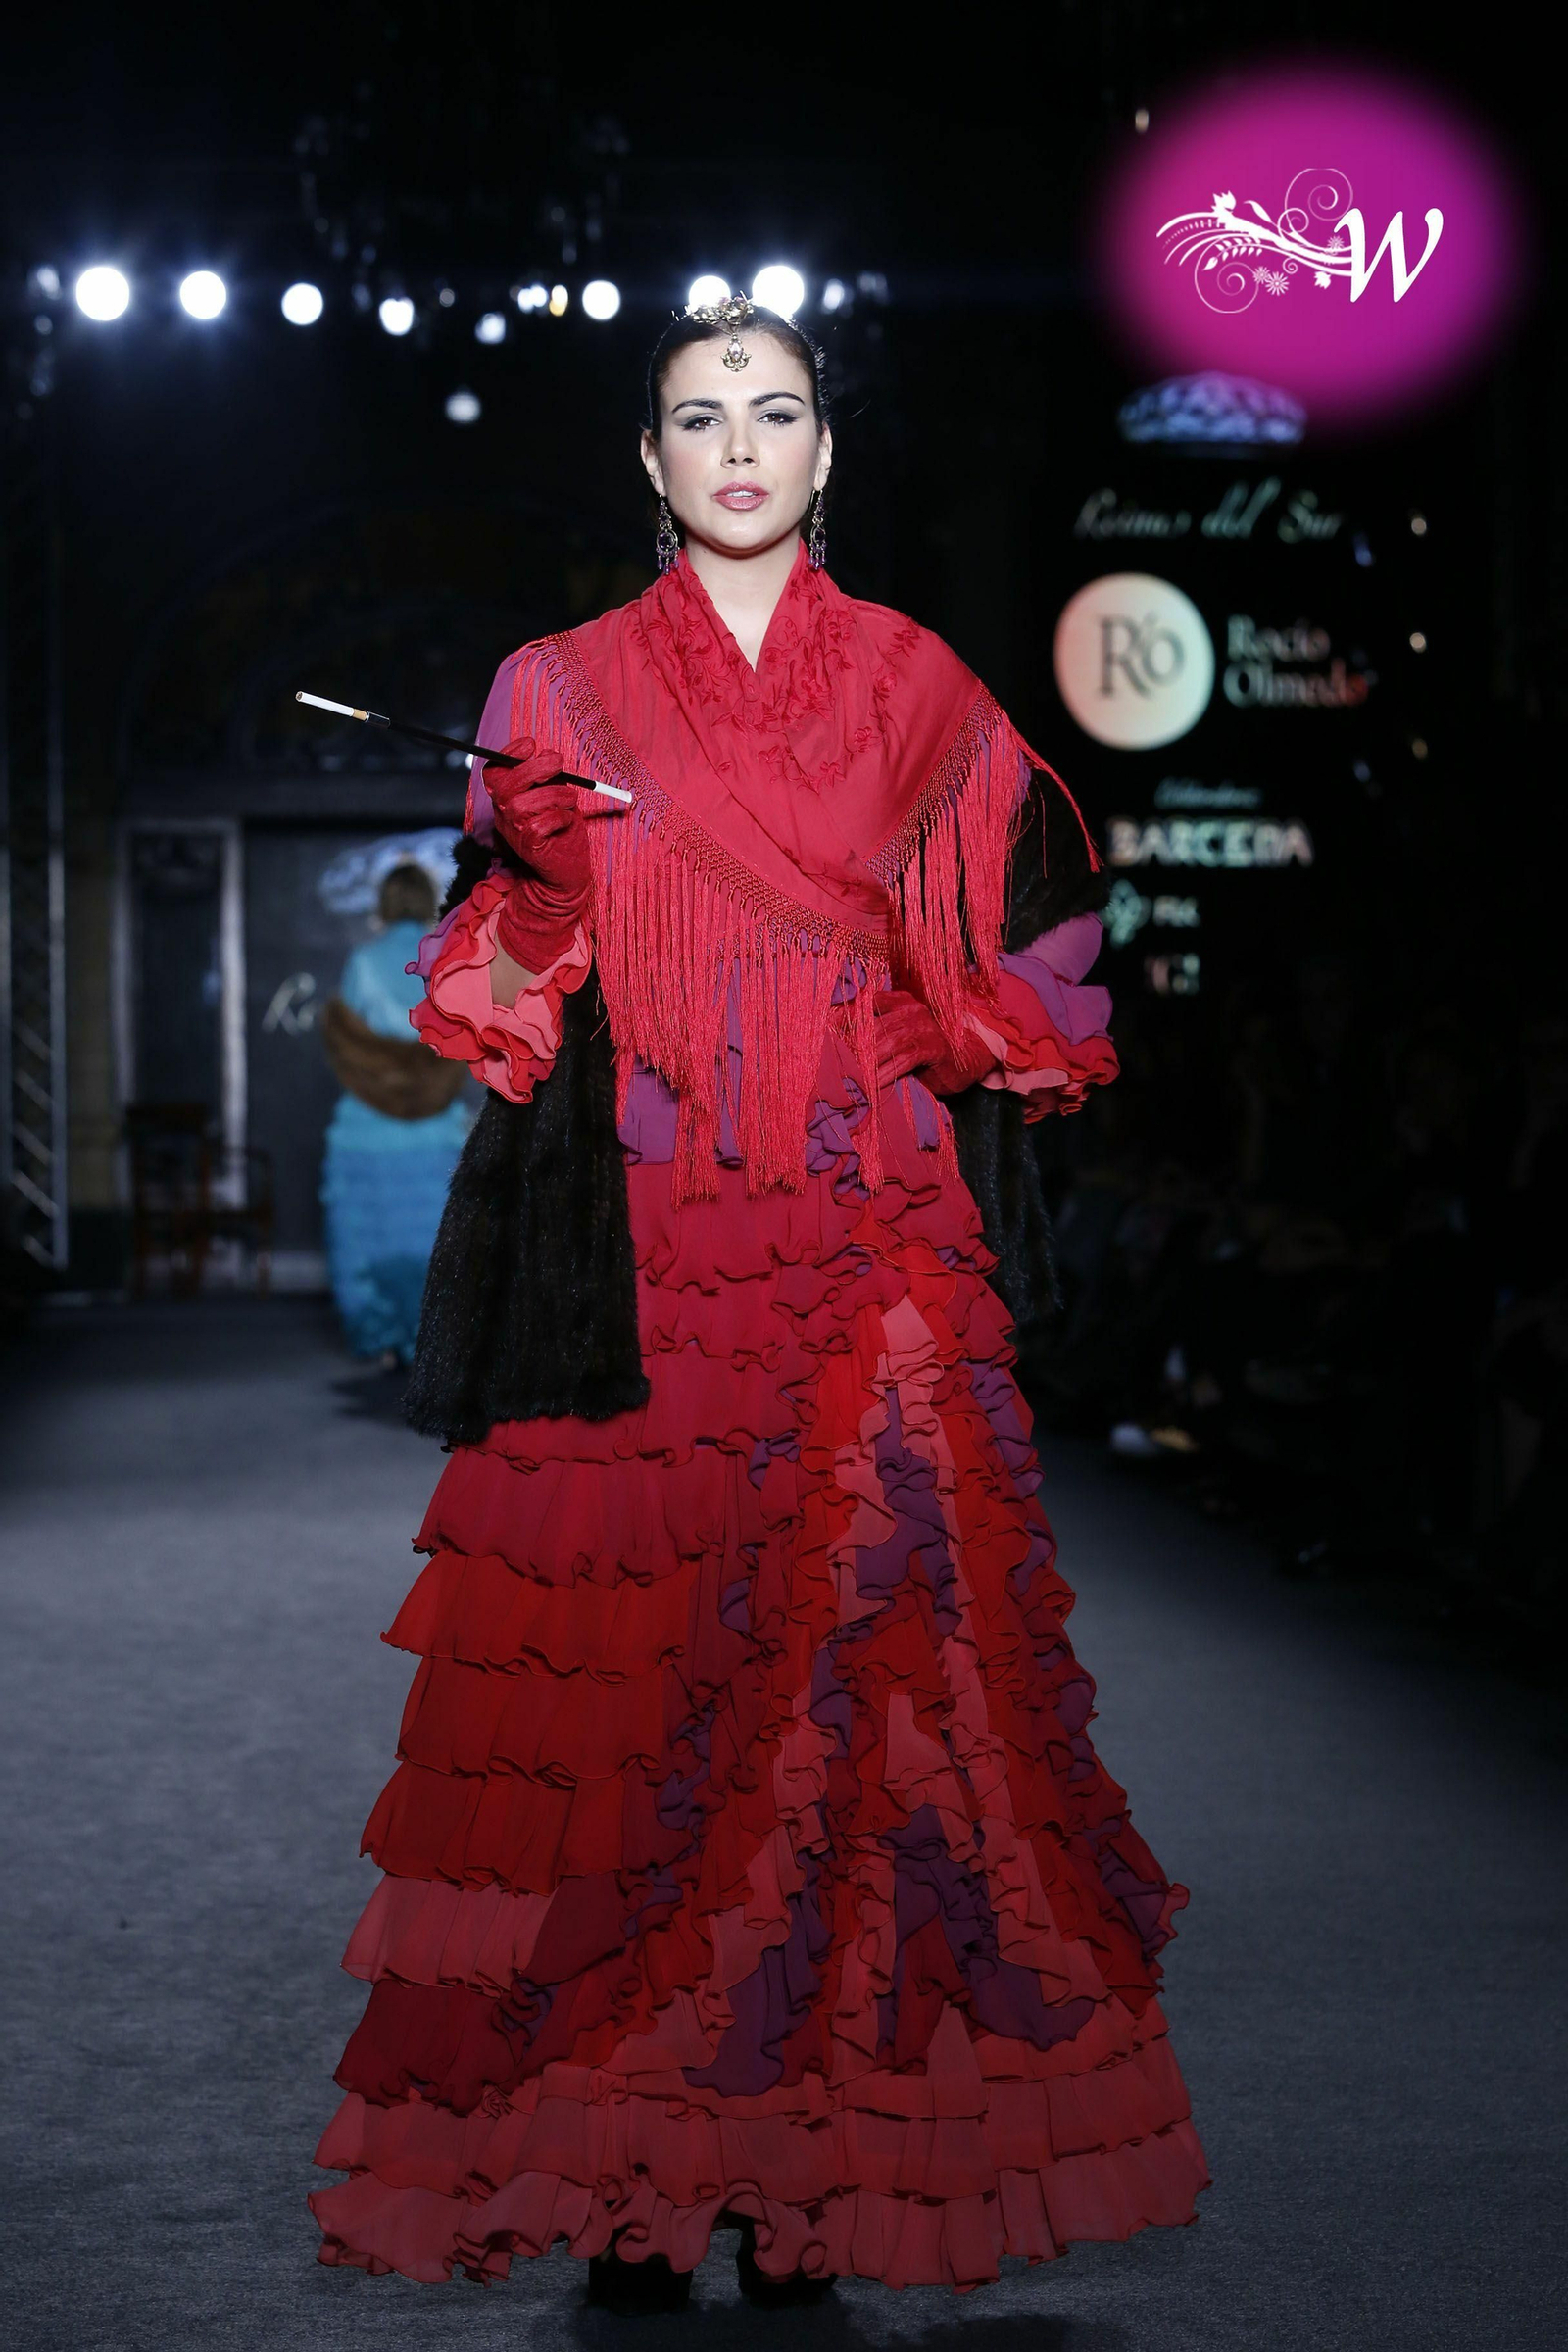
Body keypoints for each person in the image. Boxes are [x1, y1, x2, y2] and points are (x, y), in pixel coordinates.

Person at [310, 296, 1209, 2304]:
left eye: (774, 410)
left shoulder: (913, 687)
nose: (736, 443)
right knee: (628, 1716)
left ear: (825, 452)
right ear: (647, 461)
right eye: (697, 415)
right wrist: (539, 886)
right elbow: (486, 1004)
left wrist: (909, 1013)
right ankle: (639, 2163)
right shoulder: (546, 686)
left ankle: (801, 2175)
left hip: (865, 1248)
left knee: (856, 1715)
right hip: (629, 1263)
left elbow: (1036, 961)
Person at [319, 860, 472, 1365]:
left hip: (368, 1123)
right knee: (433, 1234)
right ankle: (428, 1341)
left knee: (367, 1234)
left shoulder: (362, 962)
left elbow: (354, 1044)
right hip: (433, 1122)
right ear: (429, 901)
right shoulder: (447, 960)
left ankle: (382, 1335)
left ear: (383, 904)